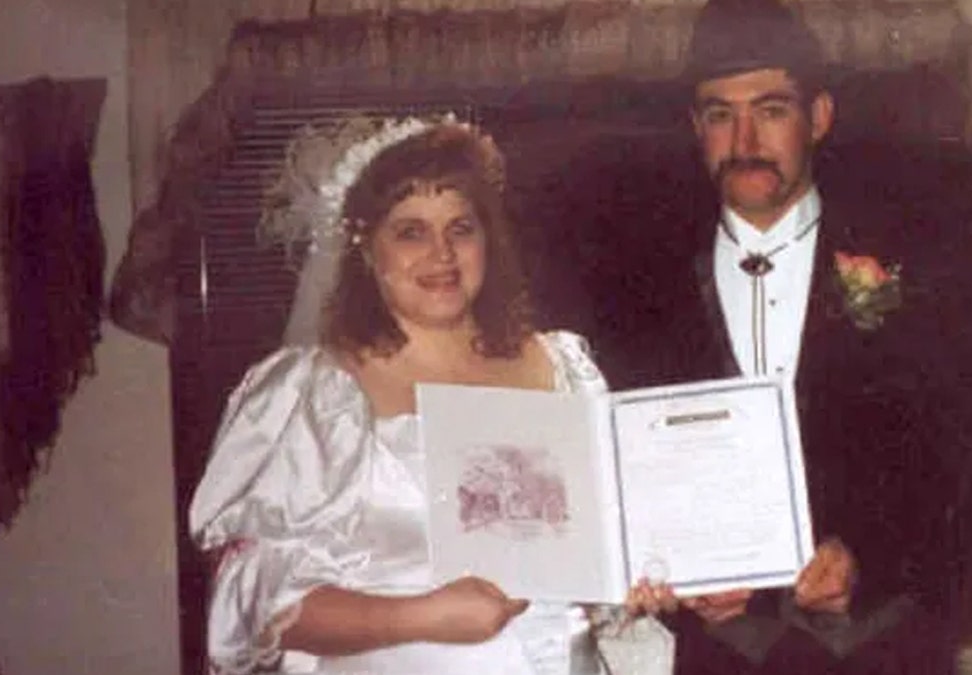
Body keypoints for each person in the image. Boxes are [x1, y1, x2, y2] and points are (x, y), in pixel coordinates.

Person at [595, 0, 972, 673]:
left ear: (819, 117)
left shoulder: (919, 267)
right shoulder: (643, 294)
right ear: (695, 126)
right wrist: (668, 572)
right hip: (718, 657)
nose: (744, 140)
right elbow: (615, 473)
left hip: (887, 649)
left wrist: (870, 561)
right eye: (720, 114)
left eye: (771, 109)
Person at [189, 117, 673, 674]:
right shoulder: (316, 394)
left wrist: (635, 583)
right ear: (366, 248)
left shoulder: (564, 368)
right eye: (411, 231)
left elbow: (604, 553)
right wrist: (421, 617)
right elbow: (250, 601)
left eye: (461, 227)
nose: (442, 254)